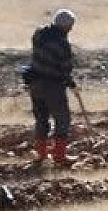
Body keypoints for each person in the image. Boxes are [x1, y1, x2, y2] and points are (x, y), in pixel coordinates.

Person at [27, 9, 78, 165]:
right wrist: (71, 83)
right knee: (62, 119)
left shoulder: (38, 35)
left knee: (41, 119)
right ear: (66, 26)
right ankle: (59, 156)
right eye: (70, 26)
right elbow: (65, 69)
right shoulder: (62, 44)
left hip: (34, 83)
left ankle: (41, 154)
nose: (71, 29)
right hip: (53, 86)